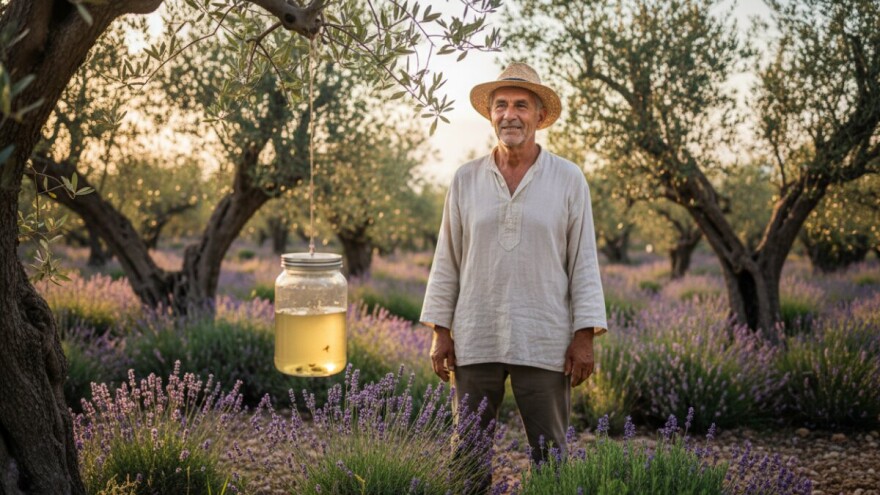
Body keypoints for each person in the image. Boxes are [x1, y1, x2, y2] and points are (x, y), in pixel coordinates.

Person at [420, 62, 608, 466]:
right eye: (501, 105)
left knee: (550, 456)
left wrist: (585, 335)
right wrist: (441, 331)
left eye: (521, 105)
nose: (510, 114)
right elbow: (447, 258)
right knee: (467, 454)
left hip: (544, 338)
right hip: (475, 335)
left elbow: (583, 261)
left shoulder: (568, 179)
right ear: (490, 115)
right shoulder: (465, 179)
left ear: (540, 115)